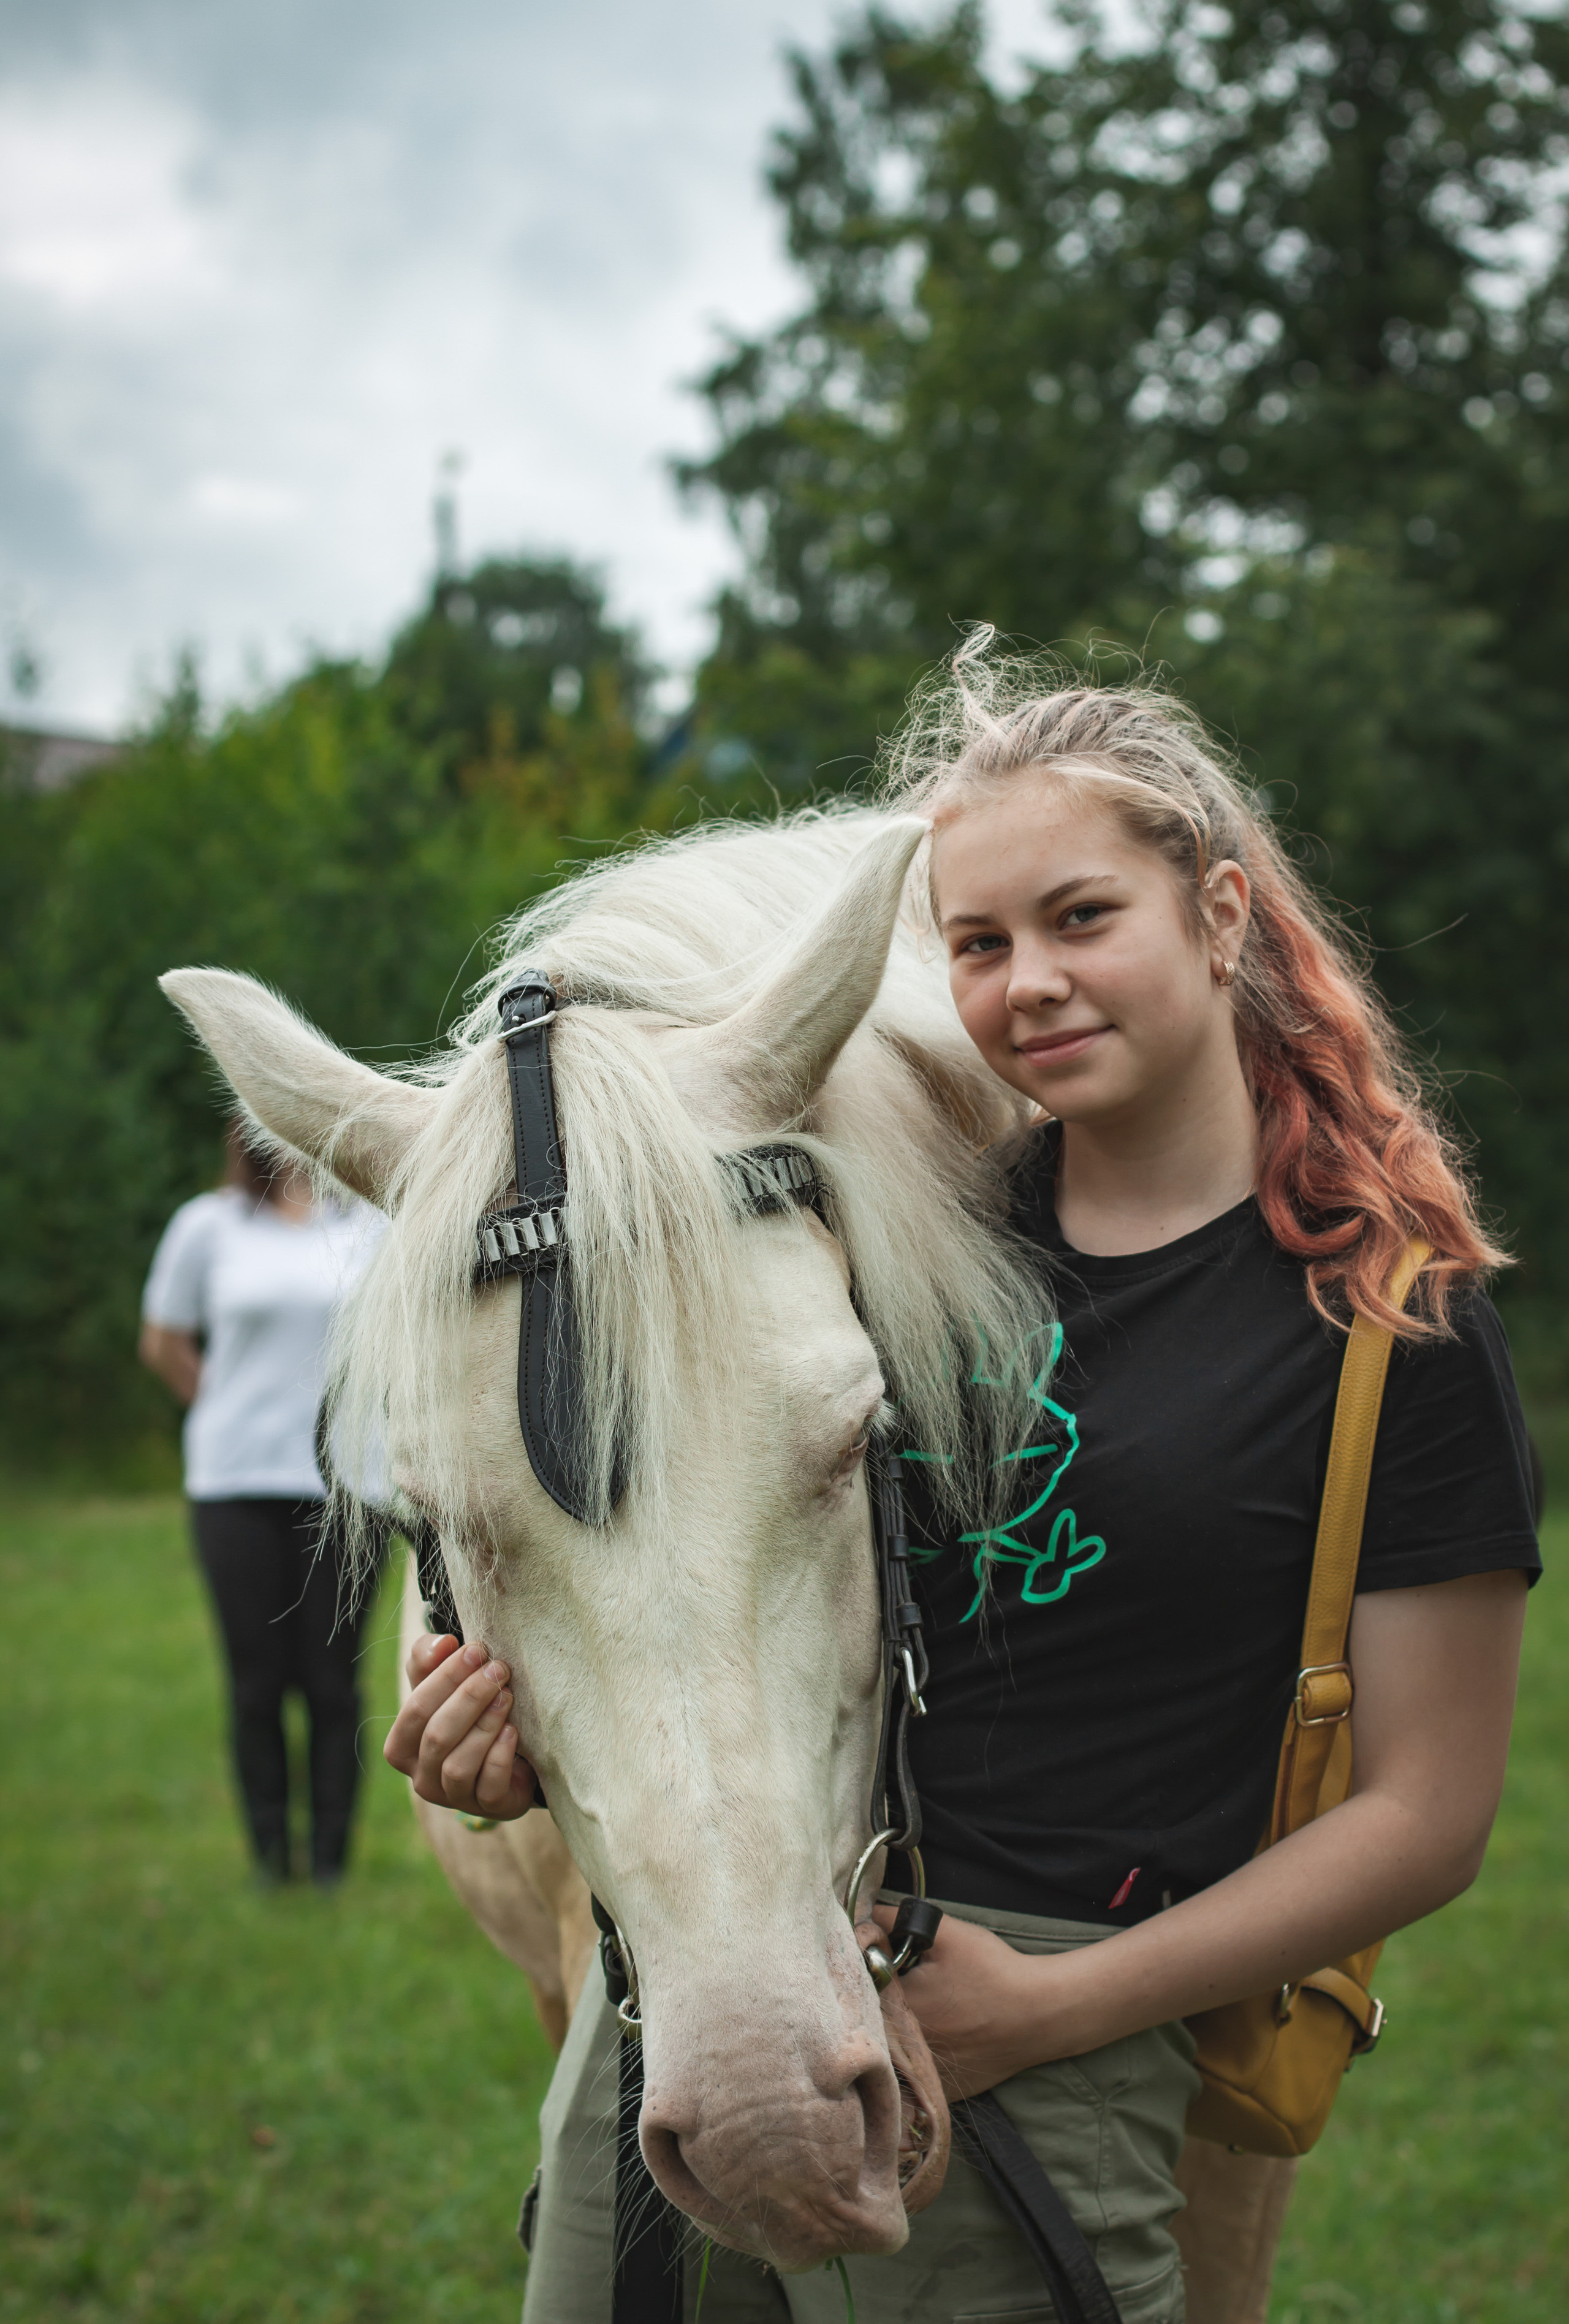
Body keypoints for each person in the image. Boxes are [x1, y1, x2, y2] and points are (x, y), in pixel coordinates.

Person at [385, 644, 1540, 2322]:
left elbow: (1429, 1820)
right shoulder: (886, 1244)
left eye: (1084, 919)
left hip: (1061, 2024)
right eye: (978, 943)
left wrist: (1058, 2009)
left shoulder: (1386, 1322)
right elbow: (701, 1569)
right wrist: (511, 1727)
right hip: (736, 1980)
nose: (1029, 985)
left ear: (1219, 915)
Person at [141, 1119, 379, 1886]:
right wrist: (218, 1406)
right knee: (256, 1683)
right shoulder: (207, 1227)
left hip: (349, 1487)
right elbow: (164, 1339)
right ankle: (272, 1862)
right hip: (236, 1484)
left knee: (334, 1683)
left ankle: (332, 1864)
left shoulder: (370, 1227)